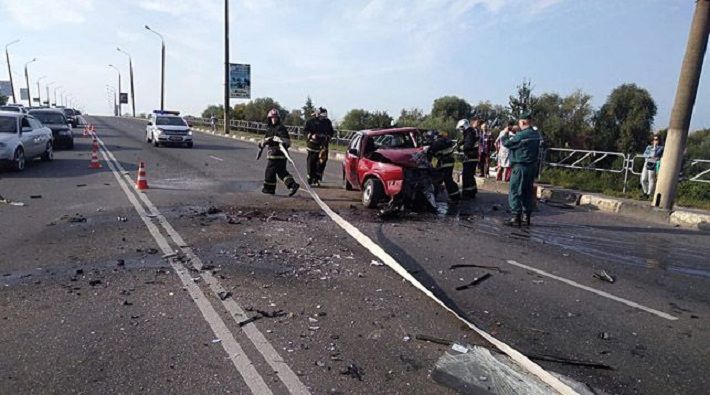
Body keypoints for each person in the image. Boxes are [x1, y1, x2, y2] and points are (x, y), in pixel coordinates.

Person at [502, 112, 542, 226]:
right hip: (532, 167)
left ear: (523, 122)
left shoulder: (522, 135)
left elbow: (507, 143)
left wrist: (505, 133)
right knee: (527, 192)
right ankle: (526, 216)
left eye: (519, 122)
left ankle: (516, 217)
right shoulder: (536, 134)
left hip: (520, 167)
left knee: (515, 191)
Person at [260, 109, 300, 196]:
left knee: (269, 172)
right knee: (282, 172)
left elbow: (287, 142)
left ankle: (269, 189)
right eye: (272, 117)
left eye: (275, 117)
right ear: (269, 118)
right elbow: (265, 140)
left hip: (277, 154)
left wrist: (278, 139)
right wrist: (263, 143)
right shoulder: (269, 128)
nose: (274, 119)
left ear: (278, 118)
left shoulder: (281, 128)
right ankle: (293, 185)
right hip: (275, 154)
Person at [425, 130, 460, 201]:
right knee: (443, 179)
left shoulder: (436, 143)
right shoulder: (442, 140)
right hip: (447, 160)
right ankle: (455, 195)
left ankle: (455, 197)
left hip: (445, 162)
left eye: (429, 138)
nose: (428, 140)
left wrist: (428, 162)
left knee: (447, 180)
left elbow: (430, 154)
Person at [458, 116, 481, 199]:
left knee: (466, 176)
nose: (461, 131)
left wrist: (460, 147)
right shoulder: (471, 132)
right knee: (470, 176)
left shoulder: (469, 133)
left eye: (461, 128)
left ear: (464, 127)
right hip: (473, 157)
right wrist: (461, 142)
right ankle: (472, 191)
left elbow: (467, 146)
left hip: (470, 157)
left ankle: (467, 194)